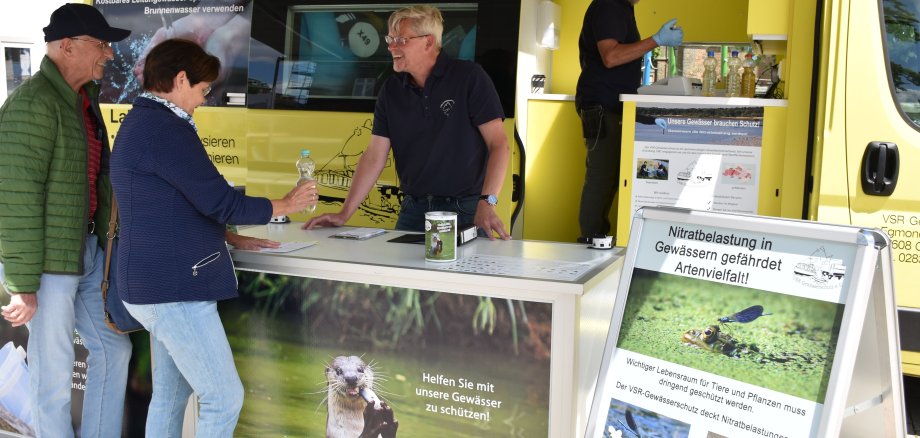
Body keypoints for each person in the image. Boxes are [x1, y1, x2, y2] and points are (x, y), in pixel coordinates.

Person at [110, 38, 316, 436]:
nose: (204, 100)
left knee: (170, 398)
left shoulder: (141, 121)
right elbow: (221, 202)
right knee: (224, 398)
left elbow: (171, 206)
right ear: (181, 79)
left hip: (151, 286)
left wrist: (232, 239)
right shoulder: (166, 129)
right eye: (203, 90)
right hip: (175, 290)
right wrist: (285, 204)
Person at [0, 4, 133, 437]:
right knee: (53, 375)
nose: (109, 55)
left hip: (84, 252)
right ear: (67, 46)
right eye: (101, 44)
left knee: (114, 350)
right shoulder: (33, 103)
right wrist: (22, 283)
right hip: (48, 263)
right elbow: (14, 198)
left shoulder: (81, 101)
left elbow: (100, 179)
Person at [304, 4, 511, 240]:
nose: (392, 46)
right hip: (414, 210)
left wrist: (488, 203)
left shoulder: (470, 78)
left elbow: (499, 145)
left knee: (462, 277)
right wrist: (344, 213)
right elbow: (374, 156)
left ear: (429, 42)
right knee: (401, 277)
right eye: (390, 39)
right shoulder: (391, 90)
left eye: (401, 40)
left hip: (467, 210)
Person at [575, 0, 682, 241]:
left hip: (612, 107)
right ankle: (590, 243)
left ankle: (597, 241)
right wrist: (656, 40)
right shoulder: (608, 6)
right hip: (602, 108)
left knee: (610, 178)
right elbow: (611, 56)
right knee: (601, 178)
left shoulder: (622, 8)